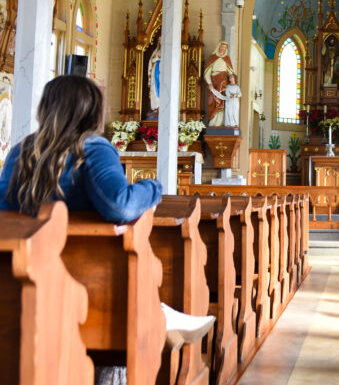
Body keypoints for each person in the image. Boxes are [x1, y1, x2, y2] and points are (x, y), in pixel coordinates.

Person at [0, 75, 214, 354]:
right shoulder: (93, 148)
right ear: (91, 113)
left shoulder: (21, 151)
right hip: (88, 285)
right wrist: (154, 188)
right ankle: (161, 317)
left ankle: (163, 315)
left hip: (21, 280)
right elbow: (120, 205)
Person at [204, 40, 235, 126]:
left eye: (225, 47)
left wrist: (232, 81)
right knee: (213, 100)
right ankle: (213, 121)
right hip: (214, 82)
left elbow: (230, 72)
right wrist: (209, 83)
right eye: (222, 47)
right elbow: (207, 72)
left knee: (223, 100)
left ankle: (221, 121)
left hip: (223, 81)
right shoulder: (212, 58)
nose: (223, 49)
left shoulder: (227, 58)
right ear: (219, 46)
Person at [148, 37, 161, 113]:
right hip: (156, 70)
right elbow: (151, 61)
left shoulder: (169, 51)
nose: (160, 42)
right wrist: (157, 57)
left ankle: (164, 105)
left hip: (164, 71)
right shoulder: (156, 51)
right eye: (159, 40)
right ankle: (156, 106)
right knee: (155, 88)